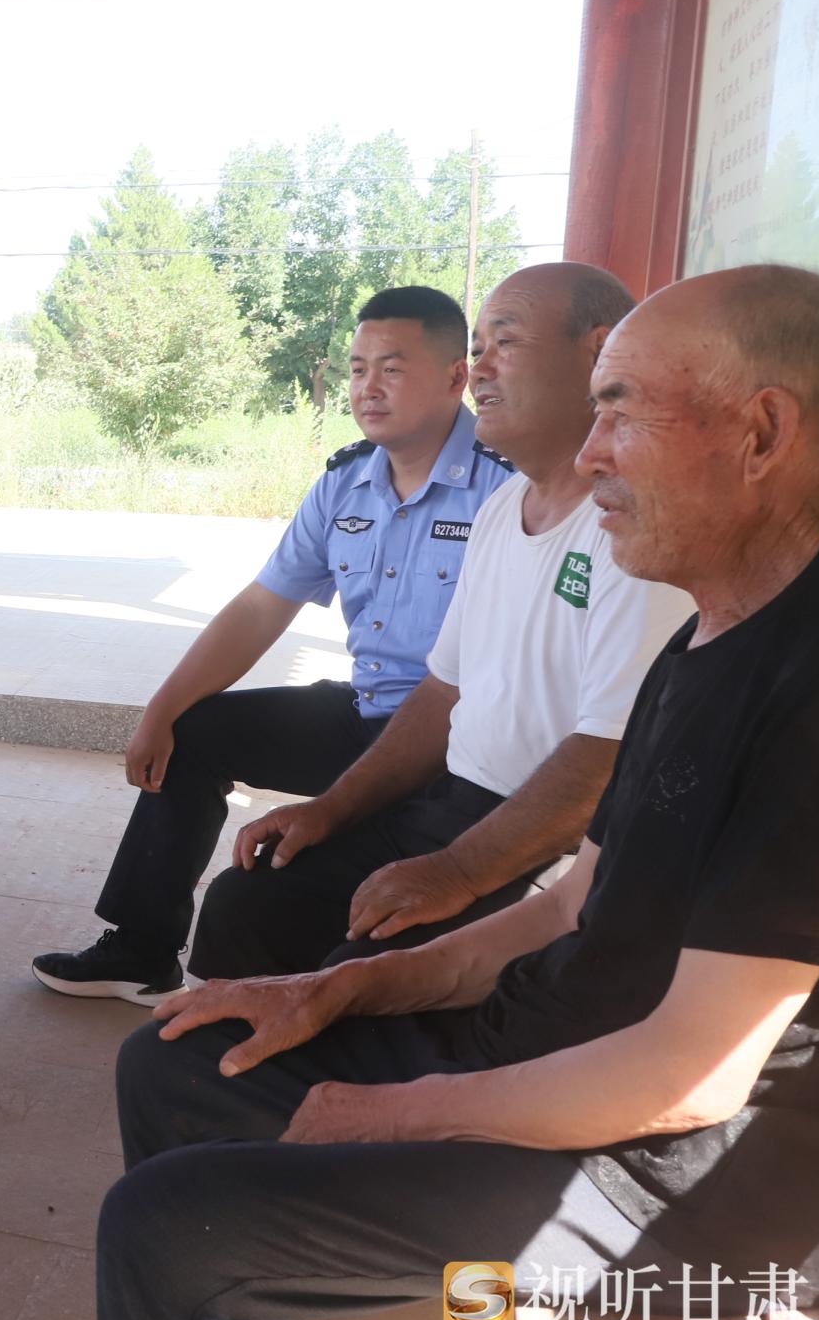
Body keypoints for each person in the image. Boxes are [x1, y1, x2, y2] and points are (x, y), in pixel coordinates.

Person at [97, 262, 819, 1320]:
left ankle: (262, 1281)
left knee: (174, 1232)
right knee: (177, 1058)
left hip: (700, 1208)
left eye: (621, 408)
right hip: (565, 1053)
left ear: (761, 433)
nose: (594, 450)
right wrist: (331, 989)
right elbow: (566, 907)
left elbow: (691, 1077)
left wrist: (399, 1115)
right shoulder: (713, 628)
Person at [182, 263, 694, 980]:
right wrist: (329, 810)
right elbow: (442, 690)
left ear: (598, 353)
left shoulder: (638, 528)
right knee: (250, 900)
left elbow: (608, 758)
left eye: (503, 343)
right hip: (453, 802)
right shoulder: (501, 509)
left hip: (555, 845)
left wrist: (456, 871)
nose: (478, 370)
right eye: (477, 348)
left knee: (359, 969)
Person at [32, 286, 508, 1005]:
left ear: (454, 377)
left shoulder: (505, 487)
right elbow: (261, 608)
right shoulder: (345, 484)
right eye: (357, 369)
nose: (368, 387)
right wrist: (161, 708)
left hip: (454, 744)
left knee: (277, 892)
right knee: (194, 731)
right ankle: (140, 949)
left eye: (392, 368)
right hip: (365, 714)